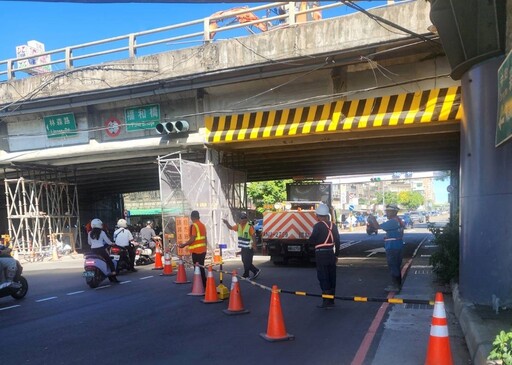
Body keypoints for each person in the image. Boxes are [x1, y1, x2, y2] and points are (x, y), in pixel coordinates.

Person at [309, 203, 341, 308]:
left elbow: (312, 240)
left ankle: (326, 301)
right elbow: (338, 241)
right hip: (331, 253)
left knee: (323, 277)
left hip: (321, 254)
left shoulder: (318, 226)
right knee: (332, 277)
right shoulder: (333, 226)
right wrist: (336, 255)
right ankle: (332, 300)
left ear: (318, 216)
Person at [368, 204, 405, 292]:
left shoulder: (392, 222)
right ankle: (398, 285)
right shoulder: (398, 220)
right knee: (396, 265)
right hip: (398, 245)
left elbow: (377, 227)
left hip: (392, 246)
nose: (386, 213)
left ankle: (395, 286)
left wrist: (373, 219)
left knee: (393, 266)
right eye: (386, 211)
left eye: (388, 211)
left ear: (394, 212)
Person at [223, 212, 261, 280]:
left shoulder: (249, 226)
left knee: (247, 262)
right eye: (242, 218)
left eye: (245, 218)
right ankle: (255, 270)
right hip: (243, 247)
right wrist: (226, 223)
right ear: (239, 219)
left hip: (249, 247)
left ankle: (246, 275)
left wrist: (254, 246)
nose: (244, 219)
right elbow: (231, 227)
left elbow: (253, 236)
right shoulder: (238, 226)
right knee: (244, 261)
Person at [179, 211, 207, 288]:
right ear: (199, 217)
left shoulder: (194, 226)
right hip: (203, 250)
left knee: (197, 269)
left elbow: (192, 239)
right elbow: (205, 238)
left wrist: (184, 245)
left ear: (192, 217)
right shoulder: (202, 225)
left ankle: (200, 285)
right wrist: (206, 248)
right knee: (201, 268)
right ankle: (204, 284)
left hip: (196, 251)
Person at [88, 218, 119, 282]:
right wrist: (112, 243)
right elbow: (108, 242)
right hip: (101, 250)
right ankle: (113, 274)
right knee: (109, 261)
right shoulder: (102, 232)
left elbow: (89, 243)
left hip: (93, 250)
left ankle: (89, 276)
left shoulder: (90, 233)